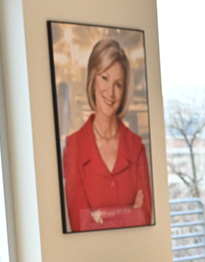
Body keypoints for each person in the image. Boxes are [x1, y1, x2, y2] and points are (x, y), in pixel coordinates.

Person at [61, 37, 151, 231]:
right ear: (93, 79)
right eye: (104, 78)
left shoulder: (136, 147)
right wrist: (128, 214)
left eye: (118, 84)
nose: (110, 92)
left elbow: (144, 218)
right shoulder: (74, 147)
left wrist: (102, 217)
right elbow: (80, 225)